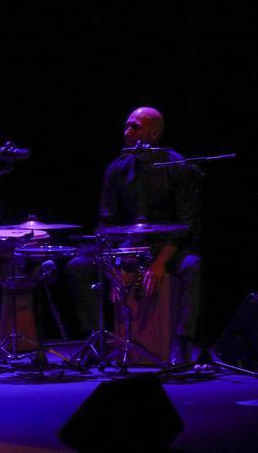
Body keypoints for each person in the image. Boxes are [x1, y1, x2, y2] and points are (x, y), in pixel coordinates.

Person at [67, 106, 202, 369]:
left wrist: (160, 262)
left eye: (135, 127)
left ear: (155, 133)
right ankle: (98, 342)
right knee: (77, 268)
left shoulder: (177, 166)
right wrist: (113, 265)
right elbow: (107, 222)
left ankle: (181, 343)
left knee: (192, 266)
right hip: (126, 247)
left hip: (165, 248)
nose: (127, 132)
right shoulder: (117, 168)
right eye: (127, 125)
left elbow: (187, 223)